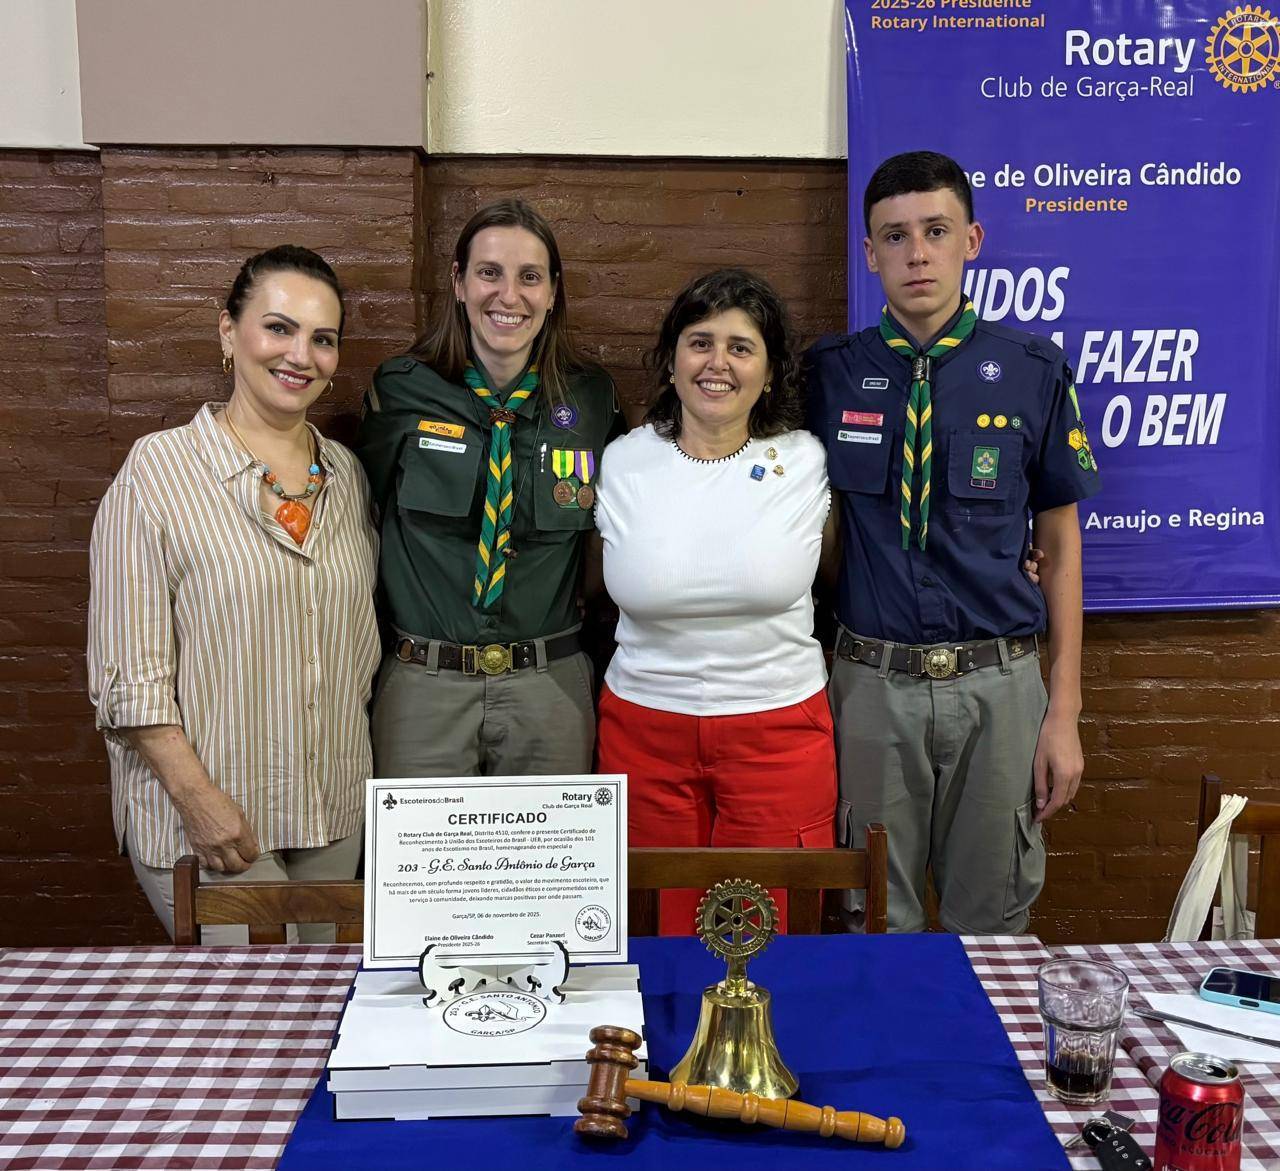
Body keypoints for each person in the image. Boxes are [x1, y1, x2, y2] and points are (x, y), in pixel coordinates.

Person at [805, 151, 1100, 934]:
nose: (917, 253)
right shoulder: (828, 375)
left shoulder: (1033, 369)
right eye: (894, 237)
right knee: (869, 916)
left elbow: (1061, 547)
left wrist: (1062, 708)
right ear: (869, 254)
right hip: (871, 685)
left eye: (935, 231)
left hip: (998, 689)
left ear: (972, 239)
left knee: (993, 917)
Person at [87, 245, 380, 939]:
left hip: (330, 809)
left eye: (323, 338)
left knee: (329, 1009)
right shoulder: (157, 471)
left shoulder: (346, 475)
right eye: (278, 327)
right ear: (228, 332)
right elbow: (130, 675)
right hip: (215, 818)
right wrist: (197, 799)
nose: (299, 354)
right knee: (260, 1020)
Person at [593, 268, 837, 934]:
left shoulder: (808, 460)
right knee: (654, 933)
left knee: (769, 936)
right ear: (671, 360)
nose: (718, 362)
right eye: (700, 341)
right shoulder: (622, 461)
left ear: (768, 371)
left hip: (778, 736)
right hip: (643, 735)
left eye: (741, 346)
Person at [356, 200, 623, 778]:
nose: (509, 295)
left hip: (547, 682)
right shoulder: (401, 392)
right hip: (425, 685)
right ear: (458, 281)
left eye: (530, 277)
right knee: (421, 864)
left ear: (553, 292)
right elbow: (364, 515)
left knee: (550, 865)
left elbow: (612, 529)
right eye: (489, 272)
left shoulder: (592, 400)